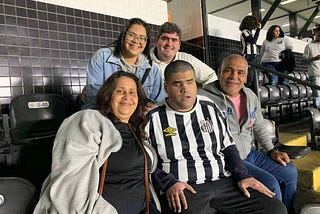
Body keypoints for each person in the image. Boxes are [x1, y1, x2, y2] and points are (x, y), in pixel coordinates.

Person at [146, 60, 287, 214]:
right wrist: (168, 183)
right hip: (184, 188)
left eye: (190, 82)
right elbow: (146, 164)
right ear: (166, 87)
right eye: (177, 83)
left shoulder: (209, 106)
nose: (185, 89)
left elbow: (228, 146)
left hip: (224, 182)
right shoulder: (152, 118)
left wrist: (242, 175)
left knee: (275, 209)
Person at [34, 71, 161, 214]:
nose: (127, 97)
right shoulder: (88, 120)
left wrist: (170, 183)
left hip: (144, 208)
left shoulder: (137, 129)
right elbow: (70, 184)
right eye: (120, 91)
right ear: (108, 96)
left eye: (133, 92)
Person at [201, 54, 297, 213]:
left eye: (240, 72)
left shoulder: (250, 96)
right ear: (219, 72)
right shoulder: (203, 97)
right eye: (228, 71)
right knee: (271, 183)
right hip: (227, 159)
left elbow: (259, 126)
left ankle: (288, 209)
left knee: (289, 172)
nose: (234, 77)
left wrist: (272, 150)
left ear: (246, 77)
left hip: (251, 154)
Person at [82, 17, 166, 109]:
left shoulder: (152, 68)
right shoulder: (102, 57)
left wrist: (149, 108)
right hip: (103, 114)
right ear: (123, 36)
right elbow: (94, 95)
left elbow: (158, 101)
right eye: (131, 35)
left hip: (137, 119)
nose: (136, 40)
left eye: (142, 38)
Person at [150, 22, 217, 86]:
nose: (169, 44)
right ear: (156, 41)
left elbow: (211, 77)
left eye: (174, 40)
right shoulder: (144, 60)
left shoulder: (187, 59)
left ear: (179, 45)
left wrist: (199, 96)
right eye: (165, 39)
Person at [239, 15, 261, 86]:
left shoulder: (251, 32)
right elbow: (253, 41)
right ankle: (246, 88)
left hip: (254, 55)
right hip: (247, 55)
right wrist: (258, 29)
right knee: (249, 74)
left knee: (254, 74)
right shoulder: (244, 32)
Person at [303, 27, 320, 109]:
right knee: (317, 95)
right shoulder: (309, 46)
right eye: (319, 35)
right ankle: (317, 114)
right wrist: (314, 58)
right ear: (316, 34)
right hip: (314, 73)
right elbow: (304, 61)